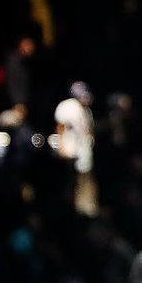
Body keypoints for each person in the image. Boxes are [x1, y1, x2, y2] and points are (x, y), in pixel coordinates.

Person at [54, 80, 98, 217]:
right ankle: (69, 213)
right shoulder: (68, 106)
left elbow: (89, 131)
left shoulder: (87, 111)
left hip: (84, 156)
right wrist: (62, 147)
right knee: (70, 186)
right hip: (70, 154)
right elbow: (60, 126)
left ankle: (83, 213)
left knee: (84, 186)